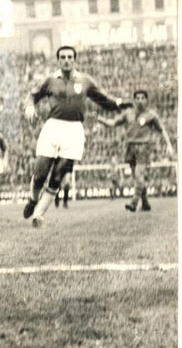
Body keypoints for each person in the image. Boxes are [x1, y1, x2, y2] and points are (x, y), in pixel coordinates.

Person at [22, 45, 129, 227]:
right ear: (58, 60)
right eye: (62, 57)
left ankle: (38, 215)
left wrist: (120, 103)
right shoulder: (50, 80)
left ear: (74, 59)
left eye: (69, 57)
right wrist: (30, 107)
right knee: (40, 174)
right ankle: (33, 199)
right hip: (53, 128)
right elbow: (32, 96)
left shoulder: (85, 81)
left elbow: (103, 100)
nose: (66, 60)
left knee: (58, 176)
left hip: (74, 131)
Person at [96, 89, 175, 212]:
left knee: (139, 175)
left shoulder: (151, 115)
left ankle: (134, 203)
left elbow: (162, 130)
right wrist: (100, 119)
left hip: (144, 147)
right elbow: (113, 123)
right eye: (137, 98)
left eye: (143, 98)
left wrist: (169, 145)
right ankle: (145, 203)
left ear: (146, 100)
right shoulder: (128, 114)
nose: (140, 101)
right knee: (137, 177)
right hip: (130, 147)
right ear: (133, 100)